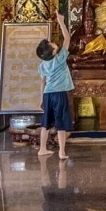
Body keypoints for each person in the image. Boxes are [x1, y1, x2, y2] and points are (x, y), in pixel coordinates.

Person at [36, 11, 74, 160]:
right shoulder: (59, 59)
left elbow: (42, 82)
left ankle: (42, 149)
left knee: (45, 123)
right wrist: (61, 22)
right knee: (61, 123)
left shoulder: (42, 65)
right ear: (53, 51)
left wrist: (41, 99)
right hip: (59, 94)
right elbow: (68, 38)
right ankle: (62, 152)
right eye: (52, 44)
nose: (54, 43)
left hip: (47, 94)